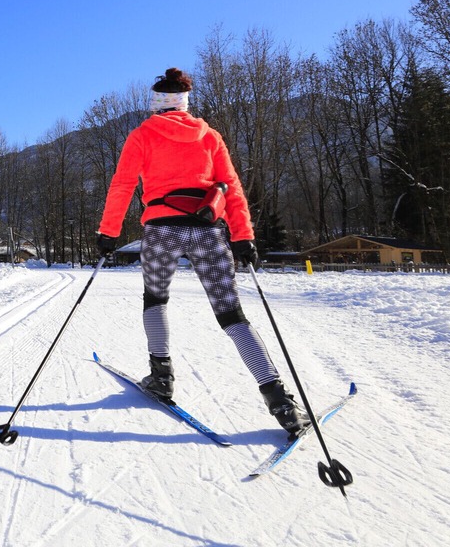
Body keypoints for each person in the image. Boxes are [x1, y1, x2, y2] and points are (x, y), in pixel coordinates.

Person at [95, 68, 311, 435]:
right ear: (184, 103)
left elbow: (122, 184)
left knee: (155, 299)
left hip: (161, 230)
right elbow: (231, 186)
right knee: (232, 315)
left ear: (156, 104)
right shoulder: (209, 136)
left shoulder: (142, 134)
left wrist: (108, 232)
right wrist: (243, 235)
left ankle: (161, 377)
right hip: (207, 231)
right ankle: (280, 402)